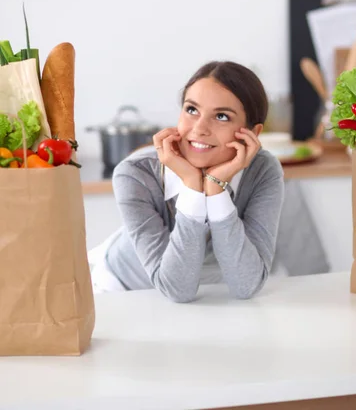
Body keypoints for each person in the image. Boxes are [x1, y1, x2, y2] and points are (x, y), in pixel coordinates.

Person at [90, 61, 285, 302]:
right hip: (126, 293)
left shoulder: (263, 171)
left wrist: (215, 190)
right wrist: (193, 187)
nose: (199, 128)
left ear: (252, 133)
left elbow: (247, 285)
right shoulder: (134, 174)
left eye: (222, 116)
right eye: (192, 110)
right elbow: (176, 289)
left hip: (209, 295)